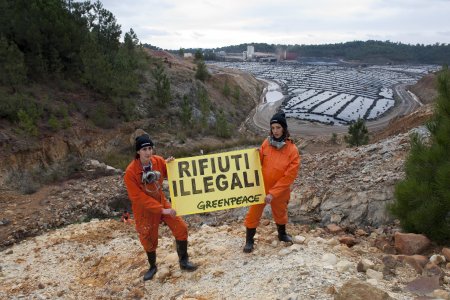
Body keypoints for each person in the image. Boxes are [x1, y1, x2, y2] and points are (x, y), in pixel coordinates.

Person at [124, 134, 197, 281]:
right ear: (138, 152)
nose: (148, 152)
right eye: (144, 149)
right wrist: (161, 210)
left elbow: (171, 173)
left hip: (161, 201)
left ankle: (183, 261)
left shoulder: (158, 161)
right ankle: (152, 266)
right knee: (148, 239)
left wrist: (171, 165)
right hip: (144, 210)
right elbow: (138, 198)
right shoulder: (131, 172)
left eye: (150, 148)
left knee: (181, 227)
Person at [243, 111, 300, 253]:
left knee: (280, 213)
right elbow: (258, 163)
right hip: (261, 188)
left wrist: (273, 193)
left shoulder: (292, 150)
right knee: (253, 214)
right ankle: (249, 240)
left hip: (279, 190)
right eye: (273, 128)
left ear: (284, 129)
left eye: (278, 128)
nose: (275, 131)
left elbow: (289, 176)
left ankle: (282, 234)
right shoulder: (266, 144)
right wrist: (256, 154)